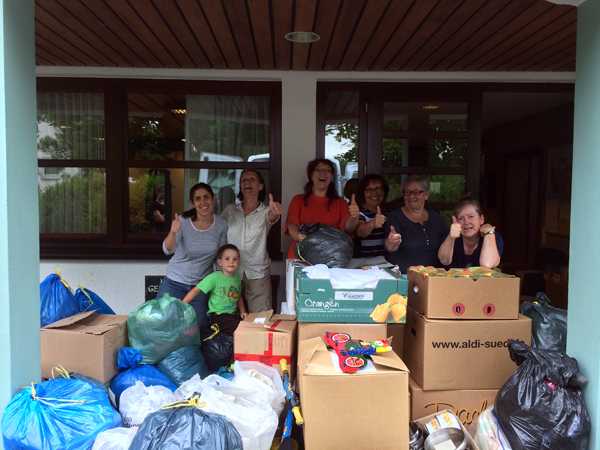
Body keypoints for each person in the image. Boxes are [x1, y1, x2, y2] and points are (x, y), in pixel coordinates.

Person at [157, 182, 227, 332]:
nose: (203, 202)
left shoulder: (221, 225)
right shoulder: (183, 221)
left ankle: (192, 356)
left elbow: (220, 256)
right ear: (193, 203)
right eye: (198, 199)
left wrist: (225, 278)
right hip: (175, 282)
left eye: (206, 197)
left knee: (198, 325)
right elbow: (167, 249)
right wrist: (173, 232)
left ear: (213, 199)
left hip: (201, 285)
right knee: (164, 322)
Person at [222, 169, 282, 313]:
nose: (247, 182)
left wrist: (275, 212)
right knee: (229, 317)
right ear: (240, 186)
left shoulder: (266, 211)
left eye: (252, 179)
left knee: (259, 320)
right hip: (231, 272)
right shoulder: (230, 211)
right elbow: (218, 232)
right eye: (244, 180)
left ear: (260, 186)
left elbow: (272, 217)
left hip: (257, 274)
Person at [286, 158, 360, 259]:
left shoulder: (340, 203)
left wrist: (355, 217)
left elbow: (348, 228)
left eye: (328, 171)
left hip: (331, 257)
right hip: (300, 255)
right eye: (318, 170)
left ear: (332, 177)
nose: (323, 173)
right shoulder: (298, 200)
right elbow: (291, 225)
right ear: (311, 175)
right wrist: (301, 237)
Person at [384, 175, 448, 272]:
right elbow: (390, 247)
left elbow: (447, 248)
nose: (411, 196)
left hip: (432, 278)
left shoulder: (437, 219)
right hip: (404, 278)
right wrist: (391, 243)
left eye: (417, 192)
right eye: (407, 192)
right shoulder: (394, 217)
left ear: (426, 195)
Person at [182, 244, 247, 336]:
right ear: (220, 262)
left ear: (239, 262)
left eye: (235, 259)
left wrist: (242, 311)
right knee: (240, 328)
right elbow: (196, 290)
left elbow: (238, 296)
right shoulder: (214, 277)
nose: (231, 262)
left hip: (232, 315)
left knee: (247, 326)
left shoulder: (237, 278)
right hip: (218, 316)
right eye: (227, 259)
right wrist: (182, 304)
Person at [438, 198, 503, 268]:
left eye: (471, 216)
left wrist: (489, 231)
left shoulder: (493, 236)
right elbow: (444, 261)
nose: (466, 222)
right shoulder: (450, 237)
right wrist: (451, 237)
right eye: (461, 218)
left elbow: (487, 264)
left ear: (481, 219)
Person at [354, 174, 389, 259]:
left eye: (378, 188)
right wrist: (373, 223)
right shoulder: (359, 213)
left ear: (384, 191)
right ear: (362, 193)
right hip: (365, 265)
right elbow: (360, 232)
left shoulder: (389, 212)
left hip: (387, 264)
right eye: (368, 189)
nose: (374, 193)